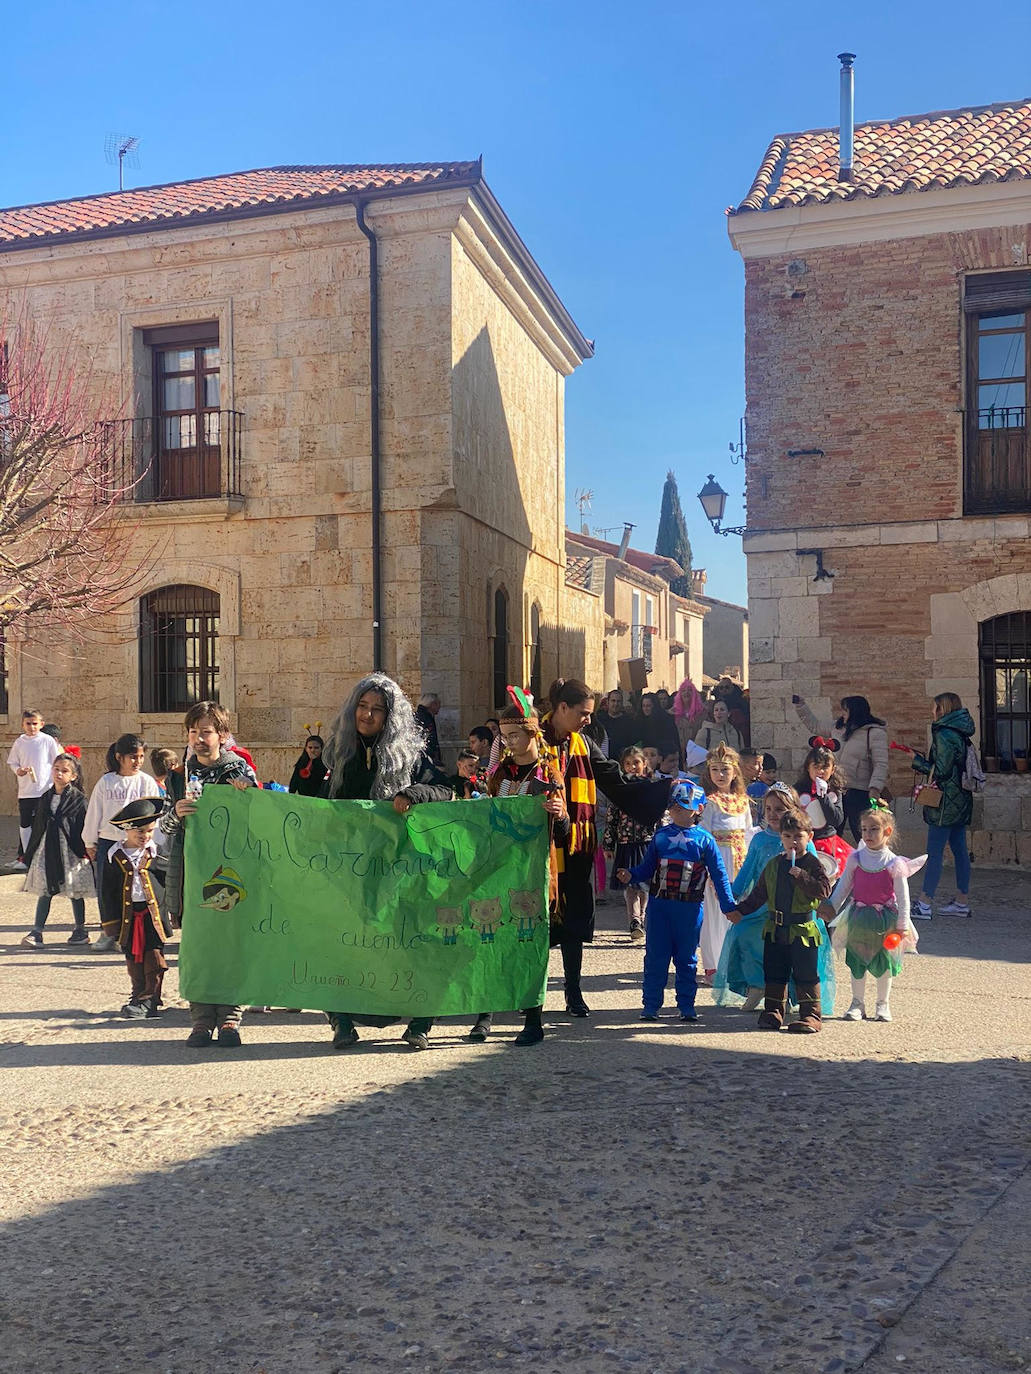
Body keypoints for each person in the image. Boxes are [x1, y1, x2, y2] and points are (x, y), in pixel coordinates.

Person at [321, 673, 453, 1050]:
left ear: (390, 716)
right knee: (342, 944)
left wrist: (414, 792)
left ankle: (421, 1023)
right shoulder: (335, 752)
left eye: (377, 709)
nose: (367, 715)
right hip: (348, 870)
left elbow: (445, 787)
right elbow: (303, 798)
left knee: (412, 944)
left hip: (399, 872)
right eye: (362, 706)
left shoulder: (410, 755)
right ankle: (341, 1021)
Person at [540, 677, 674, 1017]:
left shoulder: (584, 743)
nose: (588, 719)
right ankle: (530, 996)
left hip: (576, 843)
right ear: (562, 708)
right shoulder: (531, 738)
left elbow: (614, 779)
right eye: (583, 713)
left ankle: (573, 992)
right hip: (536, 846)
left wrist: (661, 789)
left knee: (573, 920)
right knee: (535, 920)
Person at [468, 690, 569, 1046]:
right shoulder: (500, 775)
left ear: (532, 734)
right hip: (499, 866)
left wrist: (560, 815)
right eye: (505, 737)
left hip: (533, 870)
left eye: (515, 736)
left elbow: (565, 829)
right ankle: (485, 1016)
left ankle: (533, 1019)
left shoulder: (550, 772)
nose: (509, 742)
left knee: (528, 941)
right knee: (490, 936)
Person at [161, 702, 259, 1047]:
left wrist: (248, 797)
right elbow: (164, 825)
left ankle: (230, 1018)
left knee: (229, 946)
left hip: (230, 874)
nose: (198, 738)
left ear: (221, 735)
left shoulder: (240, 773)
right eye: (193, 732)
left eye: (205, 731)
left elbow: (259, 823)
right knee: (198, 949)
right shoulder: (178, 776)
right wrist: (175, 813)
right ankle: (201, 1020)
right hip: (190, 874)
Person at [617, 780, 736, 1023]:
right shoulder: (660, 837)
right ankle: (650, 1006)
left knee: (687, 959)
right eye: (674, 806)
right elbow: (647, 867)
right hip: (660, 907)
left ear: (699, 809)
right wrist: (632, 875)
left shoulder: (705, 841)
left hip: (690, 908)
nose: (677, 811)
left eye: (683, 806)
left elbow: (720, 875)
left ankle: (686, 1006)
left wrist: (728, 906)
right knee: (655, 958)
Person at [820, 801, 924, 1023]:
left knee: (884, 961)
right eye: (865, 829)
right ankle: (857, 1003)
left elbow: (903, 898)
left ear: (887, 832)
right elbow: (844, 887)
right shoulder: (856, 859)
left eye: (874, 829)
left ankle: (882, 1003)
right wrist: (831, 907)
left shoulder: (894, 863)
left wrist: (902, 925)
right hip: (858, 918)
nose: (868, 834)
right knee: (857, 960)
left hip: (885, 921)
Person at [729, 808, 831, 1033]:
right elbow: (759, 894)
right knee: (775, 971)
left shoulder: (812, 863)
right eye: (787, 836)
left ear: (809, 837)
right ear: (781, 838)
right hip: (776, 928)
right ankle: (773, 1012)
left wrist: (802, 877)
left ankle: (811, 1015)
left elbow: (823, 890)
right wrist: (740, 911)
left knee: (805, 972)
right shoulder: (774, 864)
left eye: (798, 836)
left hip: (802, 929)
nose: (793, 841)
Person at [83, 734, 163, 950]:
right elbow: (94, 813)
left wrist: (150, 841)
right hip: (110, 844)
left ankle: (128, 934)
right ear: (119, 757)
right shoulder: (106, 782)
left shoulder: (146, 782)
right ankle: (108, 932)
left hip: (136, 844)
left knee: (133, 889)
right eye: (132, 757)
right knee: (108, 889)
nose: (137, 761)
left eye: (140, 757)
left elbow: (154, 814)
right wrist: (90, 842)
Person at [909, 692, 977, 919]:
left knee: (934, 852)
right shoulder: (960, 731)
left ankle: (924, 903)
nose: (931, 711)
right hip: (960, 798)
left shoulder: (944, 734)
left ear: (942, 709)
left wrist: (917, 761)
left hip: (945, 801)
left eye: (934, 707)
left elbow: (942, 770)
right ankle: (961, 901)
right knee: (959, 850)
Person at [100, 798, 169, 1019]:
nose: (145, 836)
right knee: (133, 956)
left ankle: (149, 1000)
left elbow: (167, 883)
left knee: (154, 955)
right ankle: (138, 993)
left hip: (152, 915)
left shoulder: (156, 853)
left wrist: (173, 912)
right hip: (128, 916)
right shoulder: (114, 856)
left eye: (149, 831)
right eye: (140, 831)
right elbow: (107, 893)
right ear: (127, 830)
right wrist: (110, 923)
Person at [19, 753, 94, 948]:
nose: (59, 773)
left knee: (74, 890)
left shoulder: (79, 800)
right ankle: (37, 931)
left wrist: (87, 847)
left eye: (64, 771)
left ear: (73, 776)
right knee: (45, 888)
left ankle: (80, 929)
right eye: (56, 769)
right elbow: (38, 826)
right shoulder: (45, 797)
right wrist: (29, 852)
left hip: (70, 850)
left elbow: (84, 825)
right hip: (48, 848)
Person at [793, 694, 889, 842]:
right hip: (835, 787)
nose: (842, 714)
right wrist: (801, 706)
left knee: (862, 832)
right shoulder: (837, 727)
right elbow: (814, 725)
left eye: (845, 710)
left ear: (855, 711)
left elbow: (881, 763)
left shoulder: (874, 733)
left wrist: (875, 788)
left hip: (860, 791)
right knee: (833, 831)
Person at [697, 743, 755, 983]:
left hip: (740, 860)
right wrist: (709, 865)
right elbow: (704, 833)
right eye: (715, 770)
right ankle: (714, 965)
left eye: (725, 770)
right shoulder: (709, 802)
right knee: (715, 912)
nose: (720, 775)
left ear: (734, 772)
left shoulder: (743, 801)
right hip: (719, 861)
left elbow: (750, 832)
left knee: (739, 909)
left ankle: (736, 961)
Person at [603, 746, 657, 944]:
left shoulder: (651, 788)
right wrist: (608, 844)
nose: (632, 767)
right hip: (626, 843)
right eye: (628, 763)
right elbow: (612, 818)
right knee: (630, 884)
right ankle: (634, 921)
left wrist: (663, 839)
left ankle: (642, 918)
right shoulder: (621, 789)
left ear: (644, 764)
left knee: (644, 884)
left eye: (636, 763)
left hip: (647, 842)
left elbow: (659, 814)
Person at [8, 709, 63, 868]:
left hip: (45, 789)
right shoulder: (19, 742)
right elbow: (13, 762)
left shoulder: (47, 741)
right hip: (26, 790)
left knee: (45, 823)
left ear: (41, 724)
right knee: (25, 824)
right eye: (28, 724)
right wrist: (18, 770)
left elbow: (56, 761)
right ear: (23, 725)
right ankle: (27, 857)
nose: (32, 727)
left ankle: (46, 857)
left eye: (35, 724)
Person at [793, 738, 852, 877]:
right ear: (808, 767)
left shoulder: (835, 790)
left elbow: (837, 820)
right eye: (816, 766)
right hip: (805, 843)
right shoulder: (798, 789)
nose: (820, 771)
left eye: (825, 766)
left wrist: (823, 796)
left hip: (828, 842)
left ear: (833, 770)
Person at [637, 691, 680, 761]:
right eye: (643, 706)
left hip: (662, 758)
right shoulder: (640, 721)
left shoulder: (665, 720)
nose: (645, 709)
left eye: (648, 706)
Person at [672, 677, 707, 756]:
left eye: (690, 690)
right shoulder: (673, 713)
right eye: (683, 690)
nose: (686, 693)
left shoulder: (703, 713)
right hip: (679, 753)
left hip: (697, 753)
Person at [603, 689, 638, 759]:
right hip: (604, 760)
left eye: (618, 701)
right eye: (613, 701)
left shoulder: (629, 722)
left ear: (622, 703)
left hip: (623, 761)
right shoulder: (600, 720)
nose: (616, 704)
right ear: (608, 702)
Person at [415, 693, 443, 767]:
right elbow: (430, 738)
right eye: (438, 704)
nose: (440, 706)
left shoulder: (424, 716)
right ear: (432, 704)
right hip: (426, 757)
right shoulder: (425, 718)